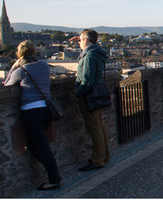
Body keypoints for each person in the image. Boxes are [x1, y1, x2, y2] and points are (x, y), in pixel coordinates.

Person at [3, 41, 62, 190]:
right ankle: (54, 174)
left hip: (31, 111)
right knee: (32, 144)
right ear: (34, 51)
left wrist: (14, 66)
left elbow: (7, 84)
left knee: (41, 146)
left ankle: (54, 179)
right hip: (46, 110)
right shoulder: (43, 65)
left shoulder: (21, 70)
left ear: (19, 54)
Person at [73, 29, 110, 172]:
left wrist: (78, 93)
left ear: (87, 41)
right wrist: (80, 38)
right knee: (100, 126)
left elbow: (86, 80)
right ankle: (104, 156)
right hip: (97, 94)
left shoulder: (89, 56)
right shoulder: (97, 53)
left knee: (94, 128)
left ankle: (98, 159)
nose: (79, 43)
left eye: (80, 40)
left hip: (89, 95)